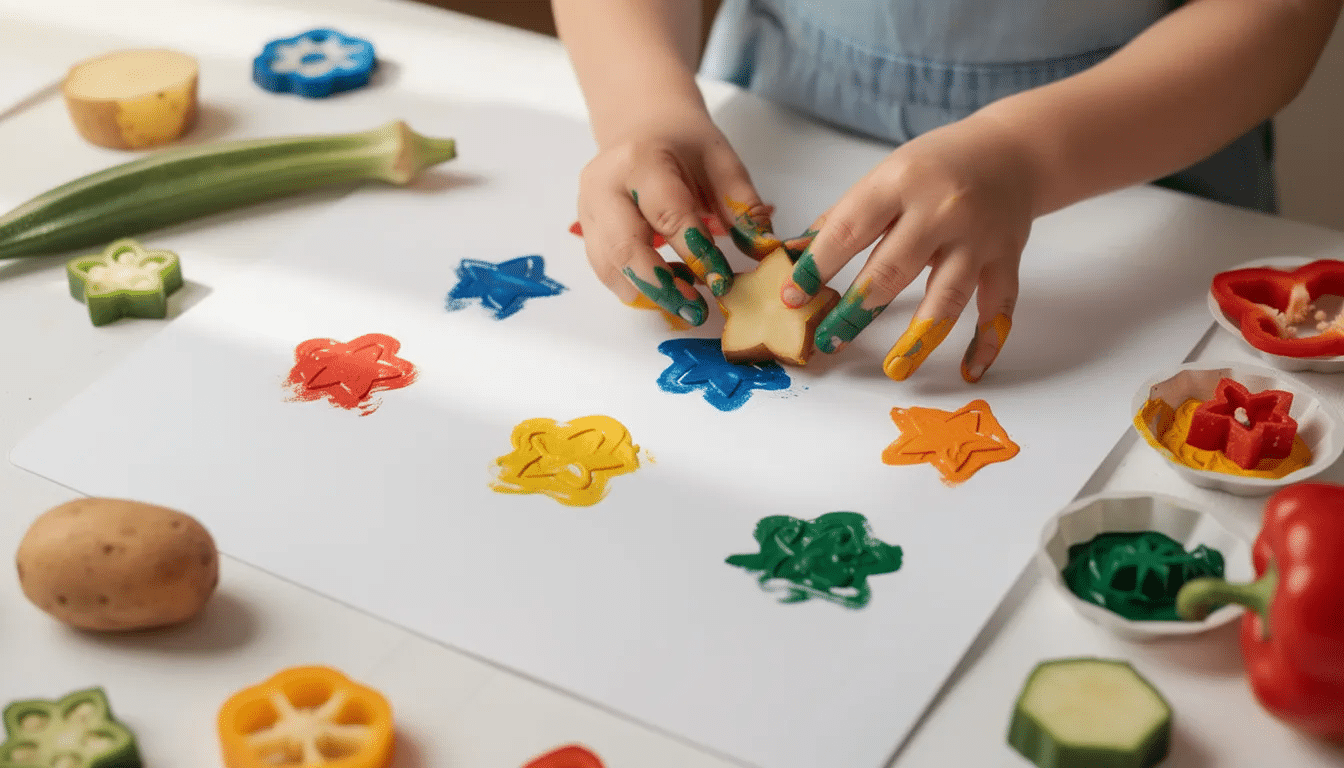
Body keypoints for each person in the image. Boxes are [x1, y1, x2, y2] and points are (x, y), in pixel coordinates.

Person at [551, 0, 1343, 382]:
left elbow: (1283, 19)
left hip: (1142, 147)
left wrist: (1025, 155)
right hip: (775, 111)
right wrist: (640, 104)